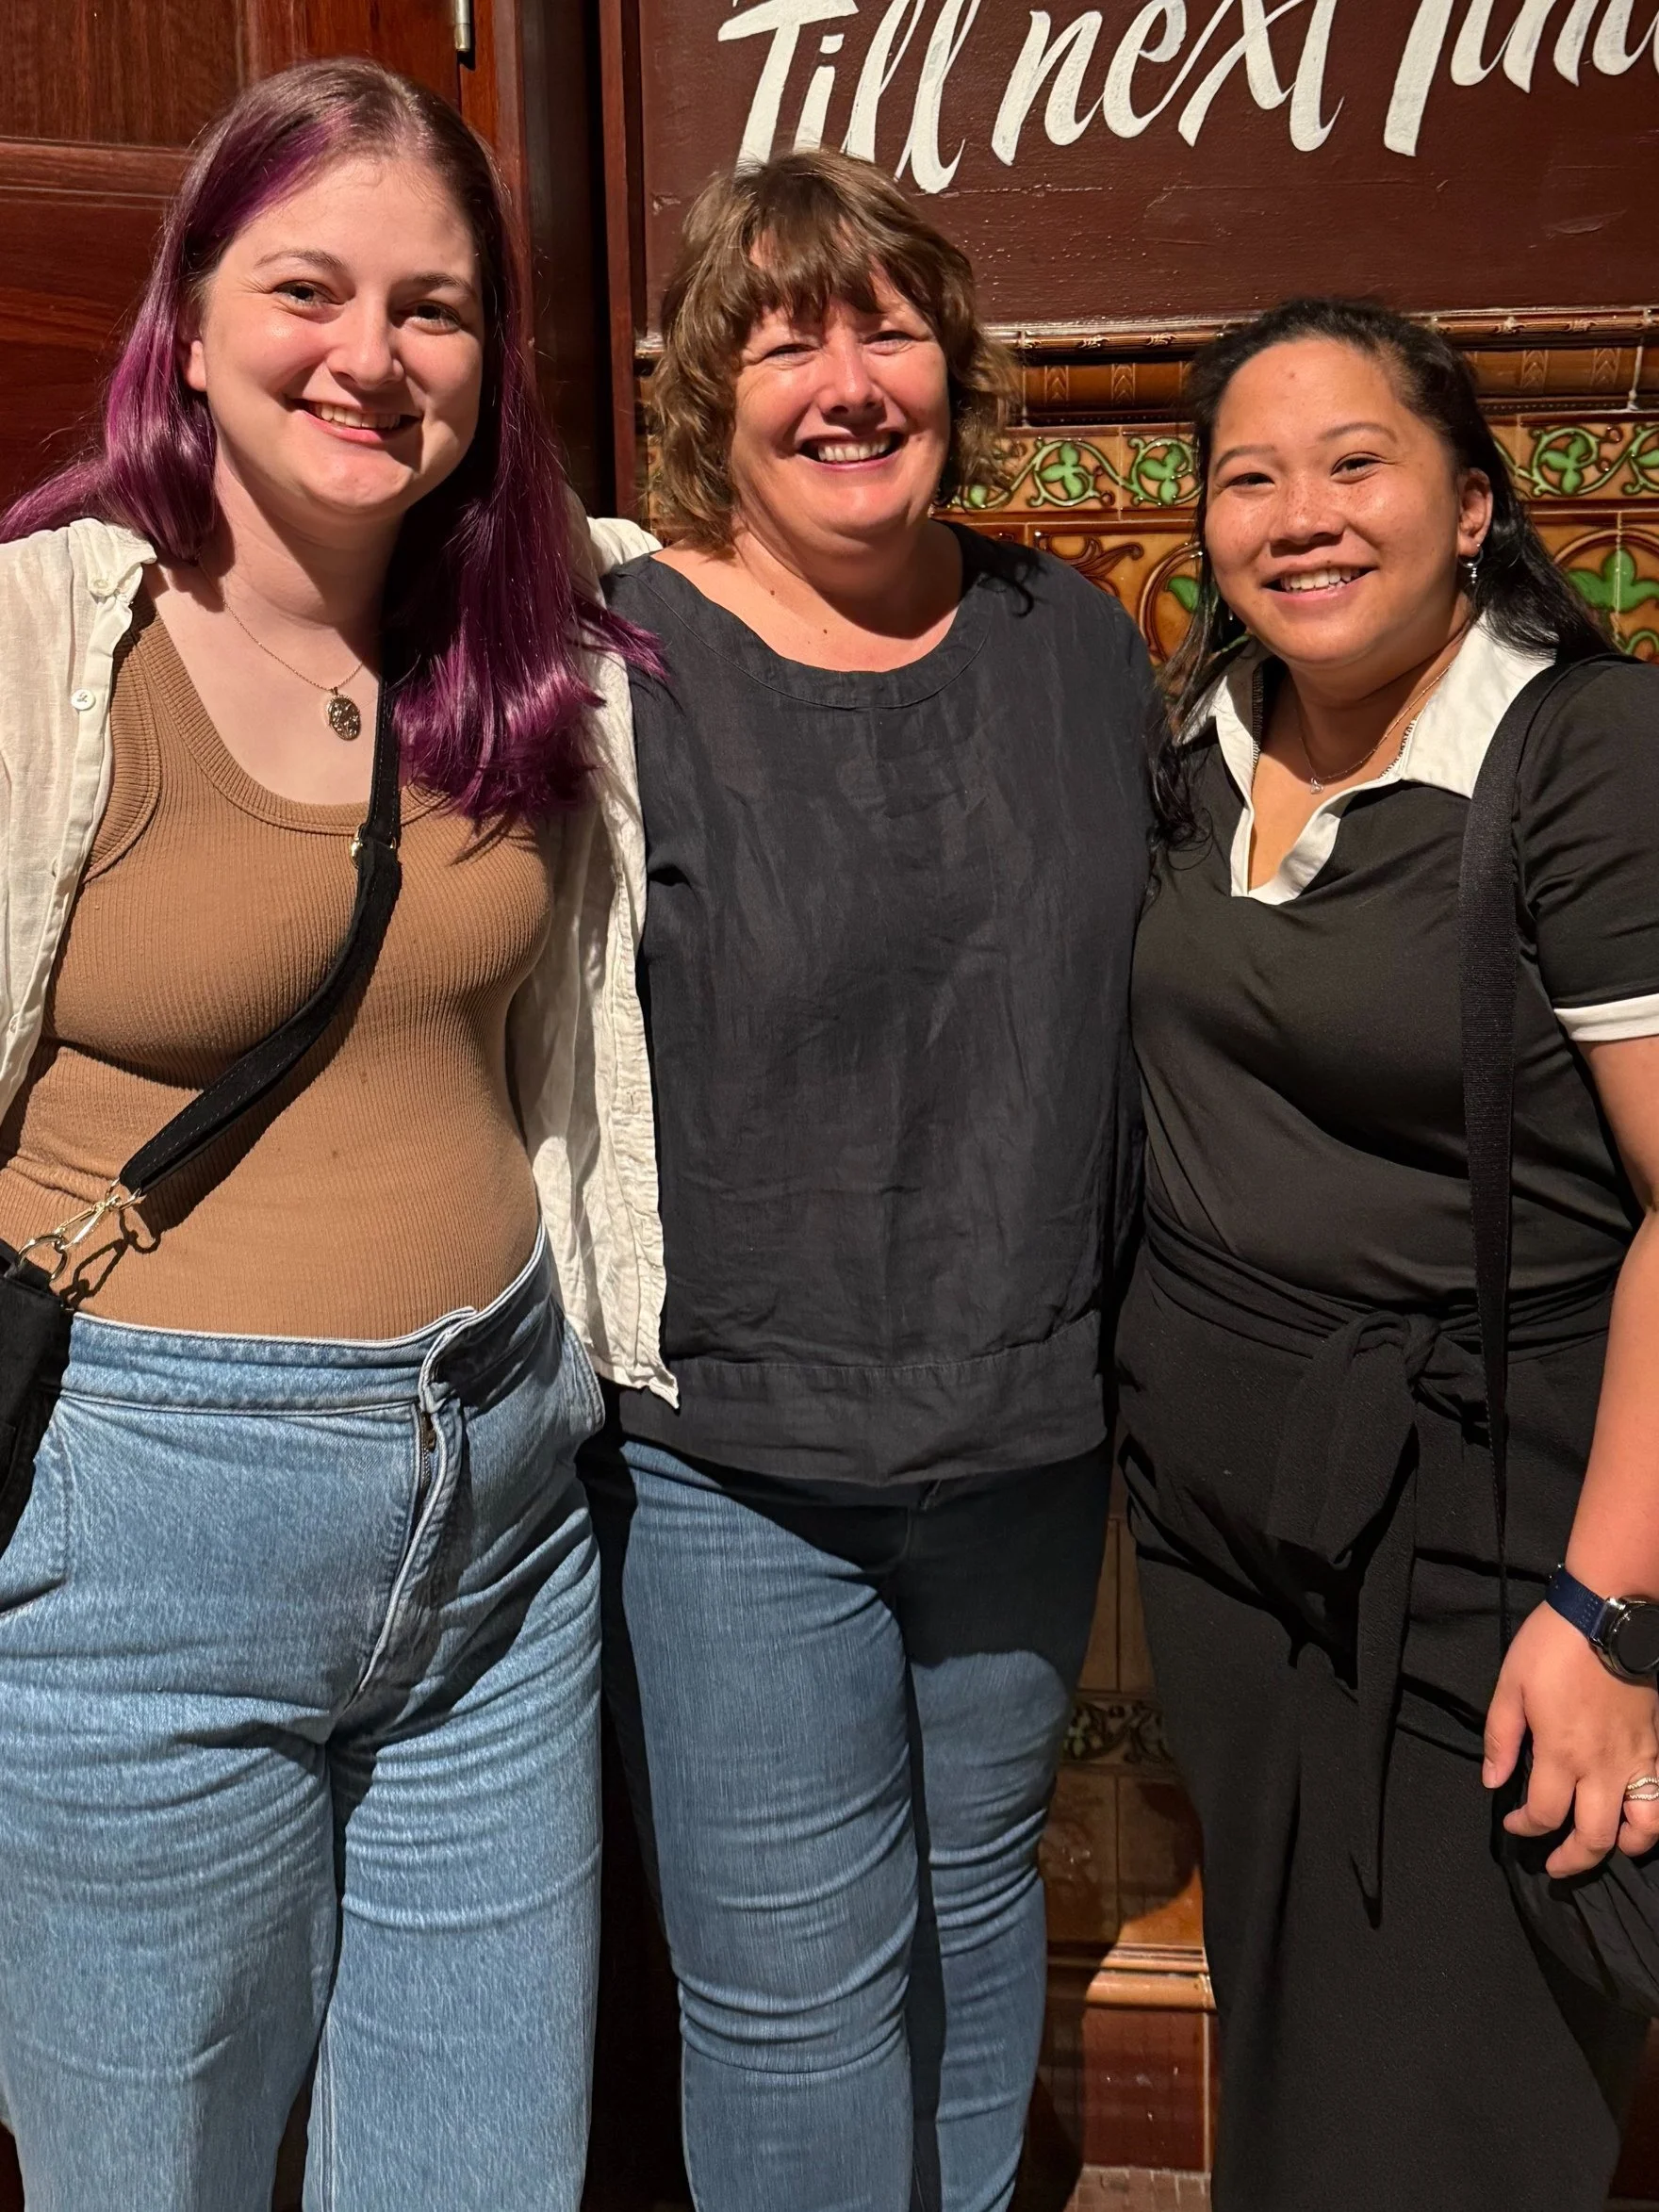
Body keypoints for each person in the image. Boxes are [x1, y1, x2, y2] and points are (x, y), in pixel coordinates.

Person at [0, 58, 655, 2212]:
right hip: (135, 1541)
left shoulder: (533, 641)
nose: (371, 356)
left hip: (504, 1518)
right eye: (310, 287)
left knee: (484, 2173)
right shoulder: (38, 644)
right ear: (189, 314)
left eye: (436, 307)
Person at [581, 148, 1155, 2212]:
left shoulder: (1073, 645)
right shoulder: (607, 663)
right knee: (794, 1995)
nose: (842, 380)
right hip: (734, 1447)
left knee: (980, 1907)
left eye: (883, 328)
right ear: (706, 395)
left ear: (953, 365)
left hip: (1019, 1428)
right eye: (782, 335)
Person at [1117, 295, 1659, 2211]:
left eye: (1356, 463)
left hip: (1488, 1536)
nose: (1299, 515)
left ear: (1473, 506)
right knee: (1299, 2053)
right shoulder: (1203, 719)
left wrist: (1604, 1623)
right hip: (1232, 1540)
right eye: (1248, 477)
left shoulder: (1579, 759)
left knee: (1453, 2100)